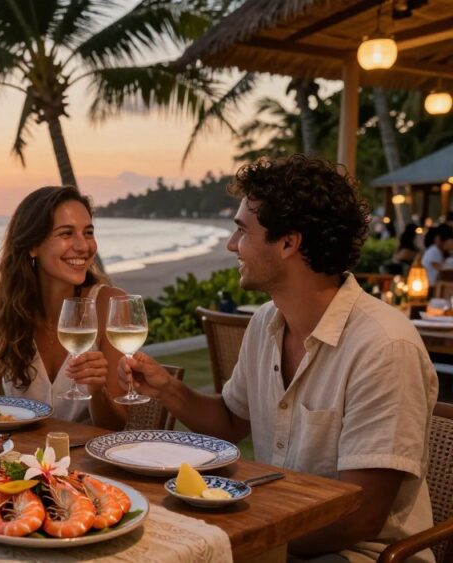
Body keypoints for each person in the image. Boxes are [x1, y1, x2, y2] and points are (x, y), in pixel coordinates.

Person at [119, 155, 438, 561]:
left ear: (289, 242)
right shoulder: (266, 323)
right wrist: (167, 389)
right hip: (282, 531)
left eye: (241, 231)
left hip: (360, 553)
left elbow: (363, 518)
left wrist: (245, 544)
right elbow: (232, 423)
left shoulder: (384, 347)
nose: (231, 244)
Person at [0, 186, 128, 429]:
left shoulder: (109, 305)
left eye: (88, 233)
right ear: (33, 245)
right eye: (67, 234)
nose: (83, 246)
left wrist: (97, 391)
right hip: (17, 460)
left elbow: (116, 426)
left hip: (84, 461)